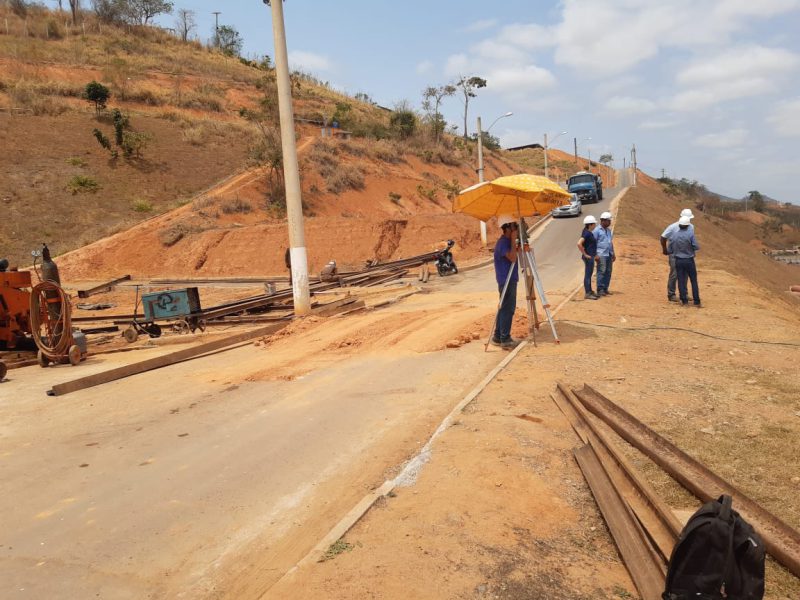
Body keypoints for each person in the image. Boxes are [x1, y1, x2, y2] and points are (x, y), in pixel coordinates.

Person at [492, 219, 522, 349]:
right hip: (507, 280)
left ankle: (498, 336)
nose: (516, 229)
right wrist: (513, 240)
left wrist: (516, 243)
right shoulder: (503, 242)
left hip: (508, 279)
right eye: (514, 227)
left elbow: (515, 254)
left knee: (503, 307)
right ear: (508, 228)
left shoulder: (506, 242)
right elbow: (513, 258)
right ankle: (505, 339)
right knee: (508, 309)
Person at [660, 209, 695, 302]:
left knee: (685, 274)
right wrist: (664, 249)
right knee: (674, 274)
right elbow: (663, 237)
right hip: (674, 253)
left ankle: (684, 294)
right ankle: (671, 294)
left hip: (686, 254)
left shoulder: (691, 227)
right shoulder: (673, 227)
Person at [669, 215, 701, 307]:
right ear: (687, 225)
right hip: (689, 260)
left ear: (679, 224)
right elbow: (696, 246)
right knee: (693, 280)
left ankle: (684, 302)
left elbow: (670, 249)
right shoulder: (690, 234)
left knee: (681, 281)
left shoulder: (674, 235)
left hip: (678, 260)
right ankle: (696, 302)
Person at [593, 211, 615, 296]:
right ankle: (600, 289)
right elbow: (593, 243)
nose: (609, 222)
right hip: (601, 254)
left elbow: (610, 242)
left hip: (608, 254)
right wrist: (595, 254)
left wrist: (613, 253)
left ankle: (605, 288)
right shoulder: (597, 231)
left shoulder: (609, 231)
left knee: (608, 271)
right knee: (601, 271)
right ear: (603, 221)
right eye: (608, 221)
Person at [577, 215, 599, 299]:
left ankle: (590, 291)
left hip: (590, 256)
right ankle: (587, 293)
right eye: (594, 224)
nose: (595, 225)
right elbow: (579, 243)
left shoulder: (587, 231)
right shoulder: (587, 233)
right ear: (590, 224)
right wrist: (585, 254)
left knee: (589, 274)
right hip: (588, 257)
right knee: (588, 275)